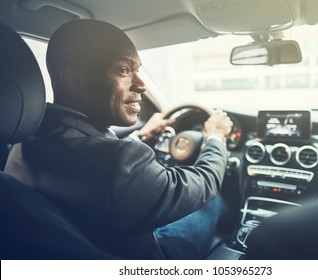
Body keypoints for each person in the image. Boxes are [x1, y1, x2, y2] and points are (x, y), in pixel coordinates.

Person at [5, 19, 233, 259]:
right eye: (124, 70)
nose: (142, 85)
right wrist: (216, 138)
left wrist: (142, 135)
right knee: (211, 201)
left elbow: (95, 161)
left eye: (137, 70)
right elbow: (205, 182)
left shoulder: (25, 137)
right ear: (75, 81)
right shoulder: (119, 162)